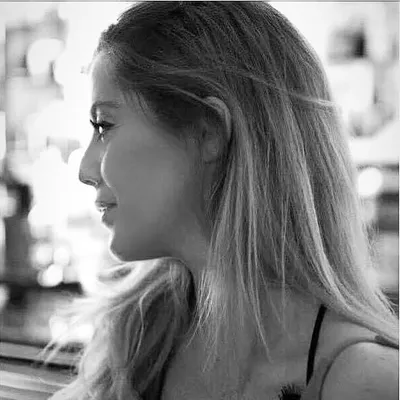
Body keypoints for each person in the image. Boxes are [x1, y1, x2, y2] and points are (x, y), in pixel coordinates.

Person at [46, 2, 399, 399]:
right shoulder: (136, 340)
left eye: (104, 126)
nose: (85, 169)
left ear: (208, 132)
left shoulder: (365, 380)